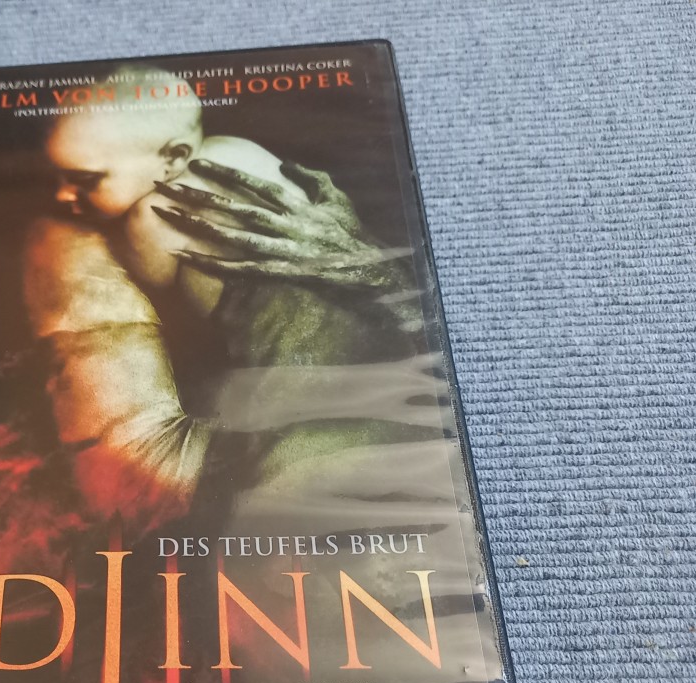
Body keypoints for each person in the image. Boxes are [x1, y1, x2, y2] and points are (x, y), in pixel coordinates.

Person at [25, 65, 434, 533]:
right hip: (383, 359)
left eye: (85, 179)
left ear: (172, 160)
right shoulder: (239, 152)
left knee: (274, 508)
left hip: (304, 399)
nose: (63, 193)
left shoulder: (150, 219)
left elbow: (154, 282)